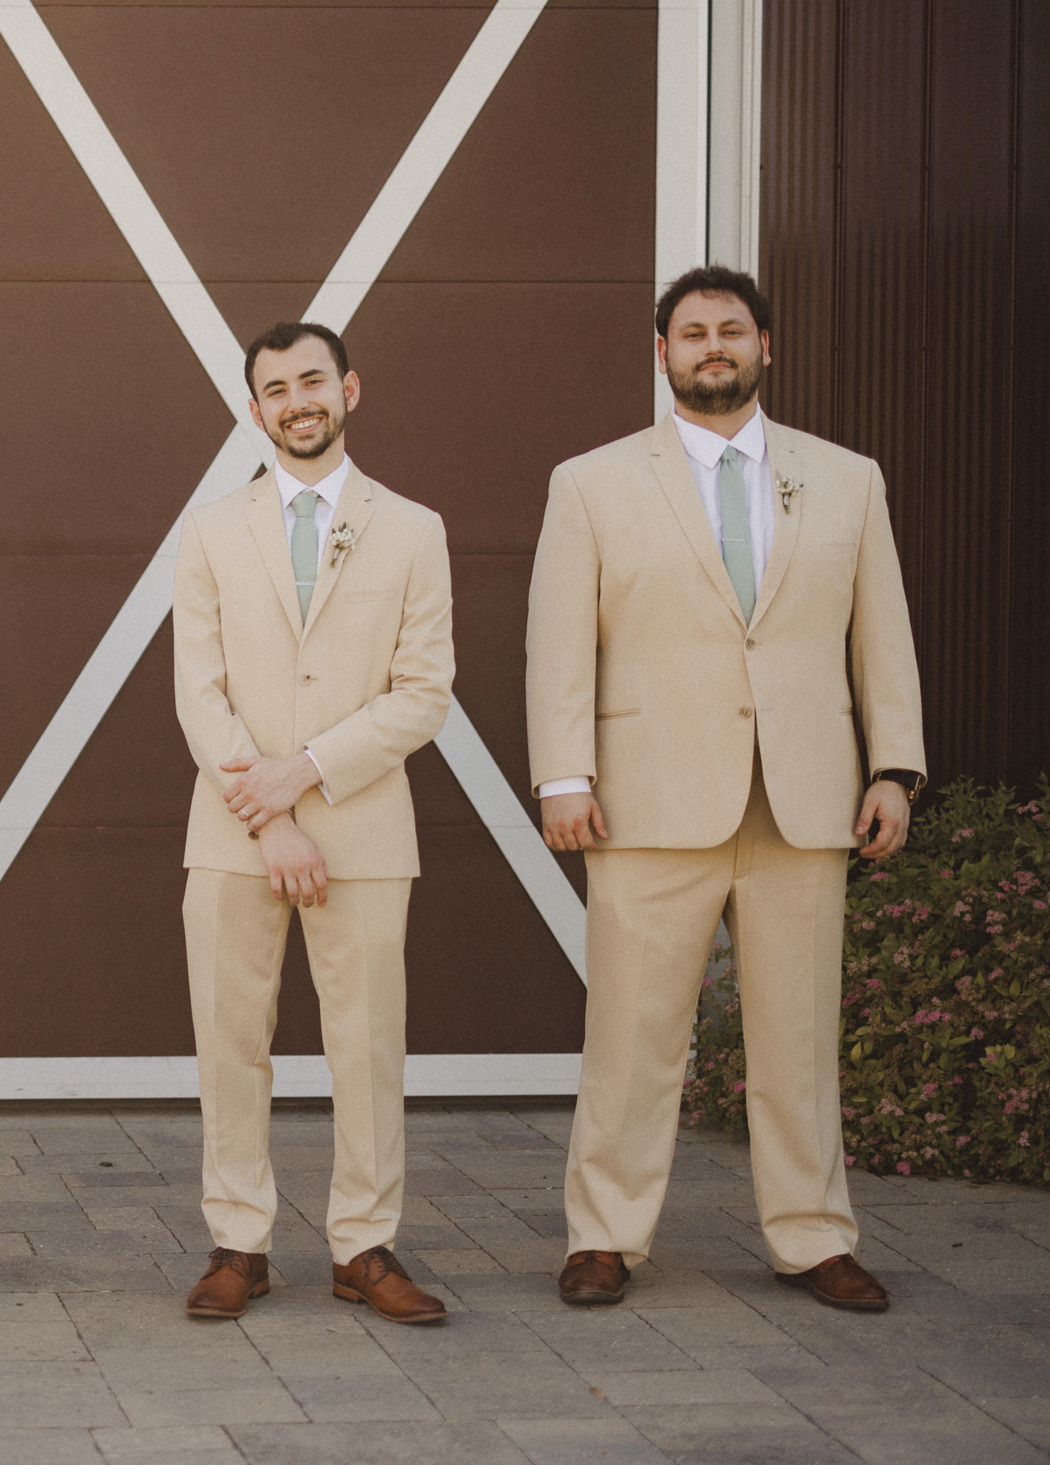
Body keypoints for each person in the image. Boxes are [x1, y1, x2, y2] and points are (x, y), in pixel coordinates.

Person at [530, 265, 923, 1312]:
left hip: (806, 801)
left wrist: (893, 766)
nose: (714, 345)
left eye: (732, 330)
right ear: (660, 354)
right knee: (631, 1034)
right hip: (648, 799)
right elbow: (560, 639)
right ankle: (604, 1234)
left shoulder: (846, 478)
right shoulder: (592, 482)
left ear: (764, 348)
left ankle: (812, 1235)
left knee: (797, 1036)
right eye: (692, 331)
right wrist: (562, 774)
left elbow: (878, 632)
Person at [171, 322, 456, 1326]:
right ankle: (237, 1241)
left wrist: (305, 775)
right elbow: (197, 692)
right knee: (229, 1039)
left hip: (364, 827)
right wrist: (267, 811)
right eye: (274, 387)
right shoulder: (208, 532)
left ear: (348, 389)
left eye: (311, 380)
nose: (296, 400)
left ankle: (363, 1246)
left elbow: (423, 692)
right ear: (254, 410)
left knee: (367, 1045)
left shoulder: (412, 528)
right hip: (235, 834)